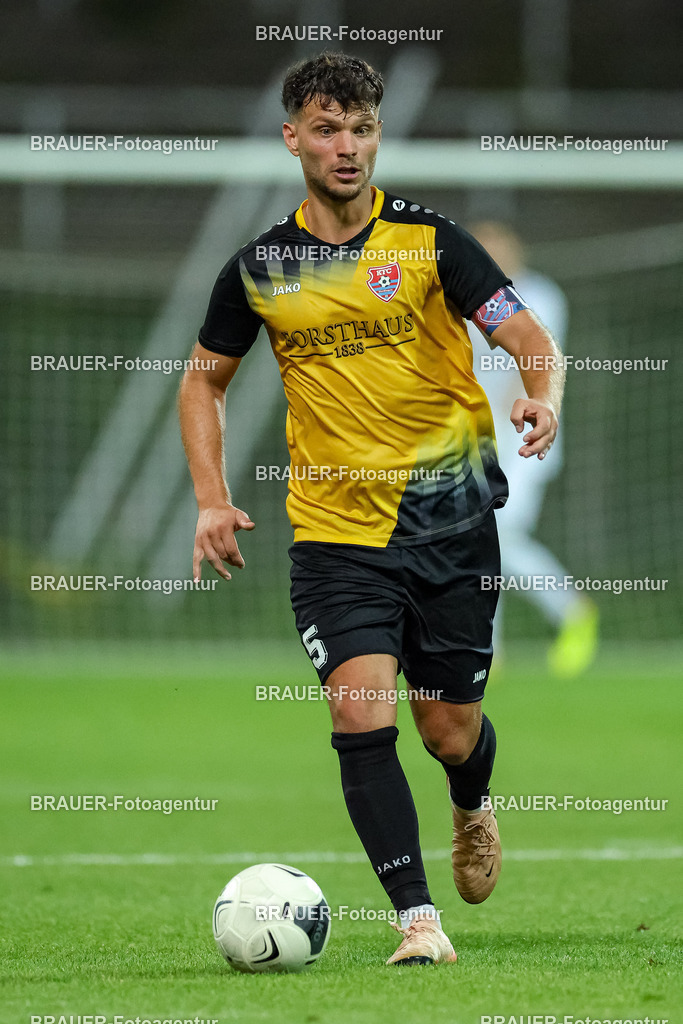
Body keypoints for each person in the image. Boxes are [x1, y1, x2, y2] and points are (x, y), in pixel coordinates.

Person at [178, 52, 564, 967]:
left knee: (447, 727)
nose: (344, 147)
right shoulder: (263, 267)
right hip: (333, 537)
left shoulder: (432, 244)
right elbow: (203, 381)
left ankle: (472, 803)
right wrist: (210, 498)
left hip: (452, 524)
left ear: (376, 136)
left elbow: (524, 335)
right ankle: (415, 921)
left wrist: (539, 395)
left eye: (359, 128)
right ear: (293, 138)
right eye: (325, 128)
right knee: (362, 713)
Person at [467, 222, 598, 676]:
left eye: (497, 246)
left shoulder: (541, 296)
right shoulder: (467, 301)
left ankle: (572, 610)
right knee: (482, 542)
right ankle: (489, 649)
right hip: (479, 442)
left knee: (498, 537)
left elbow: (538, 362)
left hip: (527, 442)